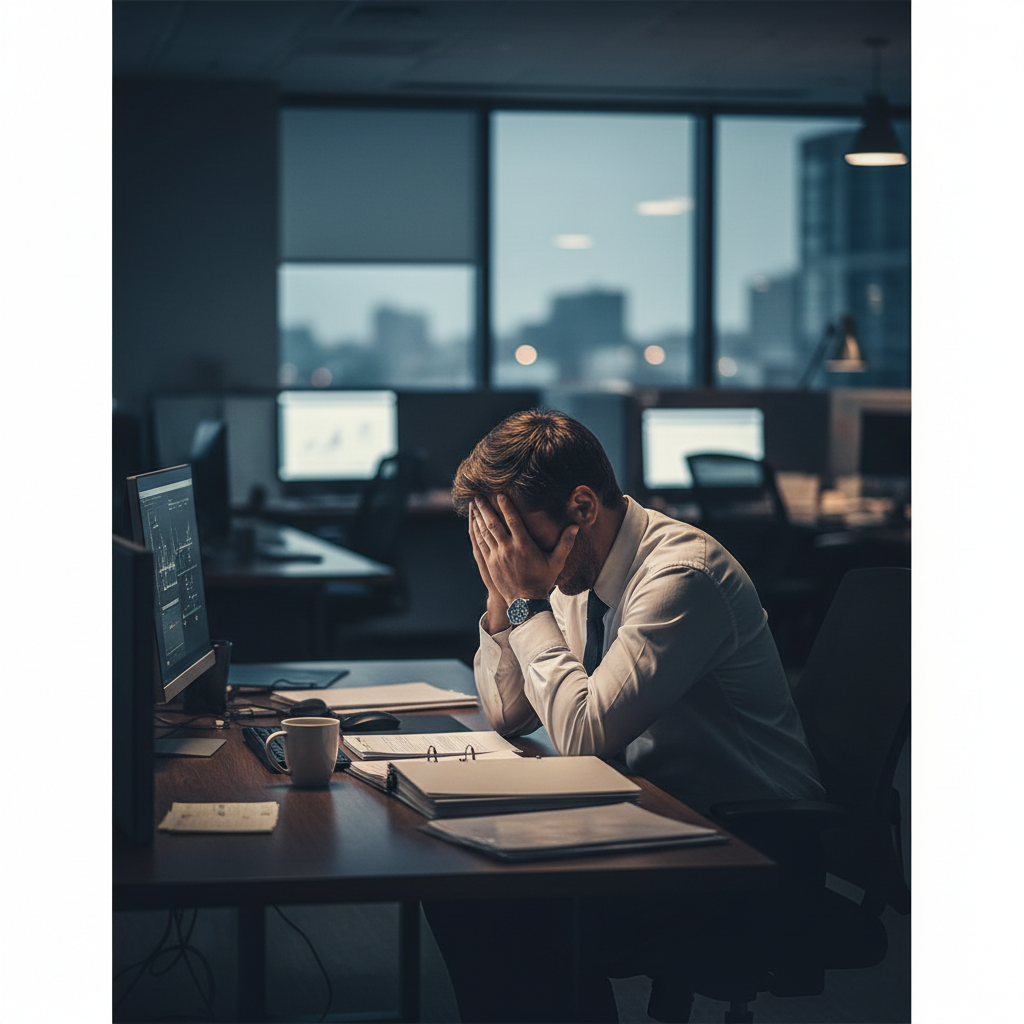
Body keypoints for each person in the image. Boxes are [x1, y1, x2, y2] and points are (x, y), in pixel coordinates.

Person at [424, 409, 824, 1023]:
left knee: (501, 903)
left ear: (582, 507)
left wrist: (530, 603)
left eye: (518, 537)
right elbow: (508, 712)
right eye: (496, 540)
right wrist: (503, 598)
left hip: (744, 847)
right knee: (462, 883)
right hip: (650, 816)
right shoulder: (570, 564)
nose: (512, 553)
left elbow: (583, 734)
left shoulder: (679, 577)